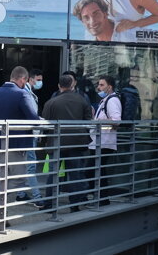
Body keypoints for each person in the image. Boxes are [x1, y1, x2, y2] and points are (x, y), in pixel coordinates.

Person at [0, 66, 40, 220]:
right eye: (25, 80)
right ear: (22, 79)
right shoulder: (22, 94)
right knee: (20, 177)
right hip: (15, 144)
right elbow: (34, 120)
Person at [41, 74, 92, 212]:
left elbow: (45, 124)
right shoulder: (82, 101)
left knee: (53, 174)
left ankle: (50, 205)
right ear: (72, 85)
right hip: (77, 142)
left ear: (59, 86)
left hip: (56, 143)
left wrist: (45, 141)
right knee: (75, 174)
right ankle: (74, 205)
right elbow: (89, 121)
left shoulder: (52, 102)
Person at [91, 75, 121, 202]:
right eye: (98, 84)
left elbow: (116, 121)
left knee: (94, 170)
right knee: (97, 171)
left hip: (104, 142)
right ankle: (101, 199)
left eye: (102, 85)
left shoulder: (112, 100)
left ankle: (102, 199)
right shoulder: (106, 100)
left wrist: (99, 121)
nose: (99, 87)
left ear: (110, 87)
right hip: (100, 142)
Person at [17, 69, 44, 204]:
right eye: (38, 80)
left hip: (28, 134)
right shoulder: (26, 94)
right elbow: (31, 116)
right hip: (29, 135)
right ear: (30, 79)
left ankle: (21, 193)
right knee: (30, 166)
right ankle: (37, 196)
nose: (40, 82)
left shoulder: (29, 93)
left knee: (24, 164)